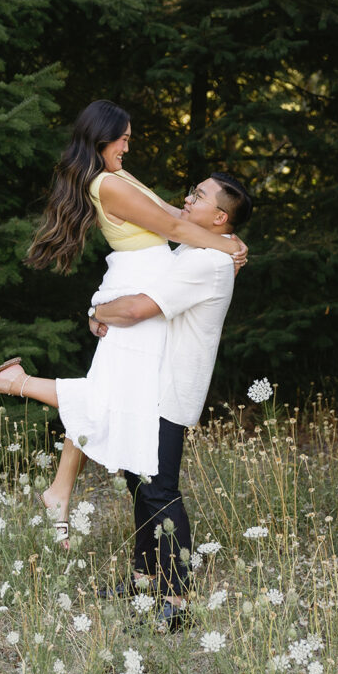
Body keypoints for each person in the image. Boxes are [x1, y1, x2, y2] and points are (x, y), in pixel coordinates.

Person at [0, 101, 248, 543]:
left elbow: (175, 214)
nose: (128, 147)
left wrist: (227, 236)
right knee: (108, 398)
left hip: (144, 286)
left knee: (113, 397)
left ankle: (63, 489)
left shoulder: (117, 178)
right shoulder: (108, 183)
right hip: (138, 290)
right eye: (125, 139)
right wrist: (228, 246)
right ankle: (17, 386)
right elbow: (175, 226)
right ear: (103, 139)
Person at [89, 171, 252, 631]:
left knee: (160, 490)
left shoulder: (208, 262)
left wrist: (95, 312)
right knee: (139, 483)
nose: (186, 198)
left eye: (197, 196)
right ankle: (143, 580)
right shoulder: (200, 249)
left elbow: (140, 307)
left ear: (219, 216)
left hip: (169, 390)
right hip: (148, 382)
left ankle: (176, 604)